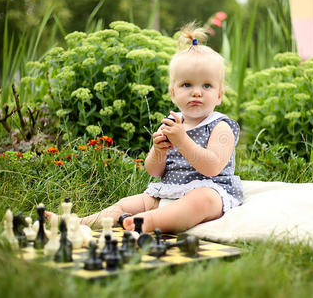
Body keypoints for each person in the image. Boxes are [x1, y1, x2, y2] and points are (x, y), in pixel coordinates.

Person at [47, 23, 243, 233]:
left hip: (211, 192)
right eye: (187, 85)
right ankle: (80, 222)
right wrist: (158, 150)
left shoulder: (220, 126)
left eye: (206, 85)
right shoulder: (172, 124)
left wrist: (182, 140)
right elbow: (154, 170)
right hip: (169, 191)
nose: (197, 92)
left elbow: (212, 168)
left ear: (220, 94)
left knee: (199, 201)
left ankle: (147, 222)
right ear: (173, 93)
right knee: (124, 204)